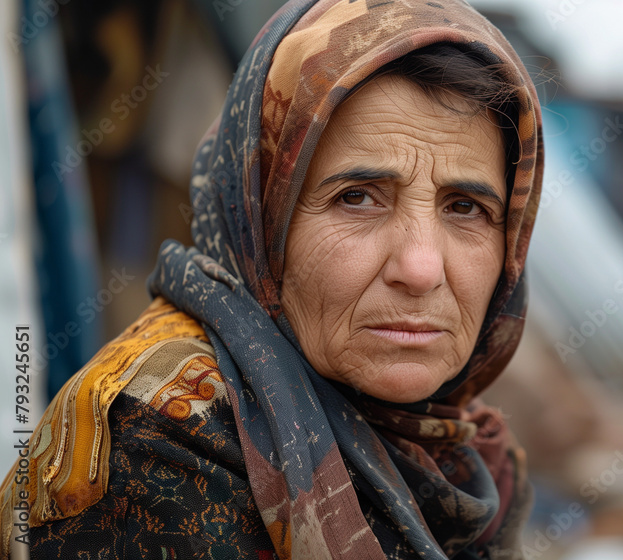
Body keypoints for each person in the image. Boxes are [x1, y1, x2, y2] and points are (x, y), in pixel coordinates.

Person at [0, 0, 543, 557]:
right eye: (356, 198)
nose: (421, 269)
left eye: (466, 207)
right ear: (260, 218)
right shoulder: (157, 444)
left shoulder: (469, 452)